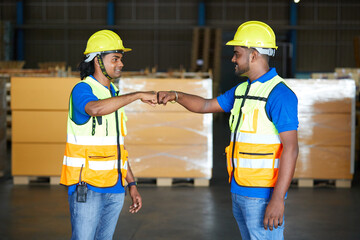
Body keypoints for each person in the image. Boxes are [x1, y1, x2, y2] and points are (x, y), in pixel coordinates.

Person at [158, 21, 299, 240]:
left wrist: (278, 199)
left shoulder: (279, 94)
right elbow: (206, 105)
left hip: (263, 195)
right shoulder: (242, 90)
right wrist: (176, 96)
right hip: (239, 190)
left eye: (237, 53)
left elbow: (291, 149)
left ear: (253, 55)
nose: (233, 59)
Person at [60, 29, 157, 240]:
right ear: (97, 60)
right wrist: (138, 95)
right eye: (115, 59)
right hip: (87, 186)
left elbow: (117, 147)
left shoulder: (113, 94)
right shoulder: (82, 89)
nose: (120, 64)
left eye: (120, 59)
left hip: (114, 188)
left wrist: (132, 184)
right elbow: (94, 109)